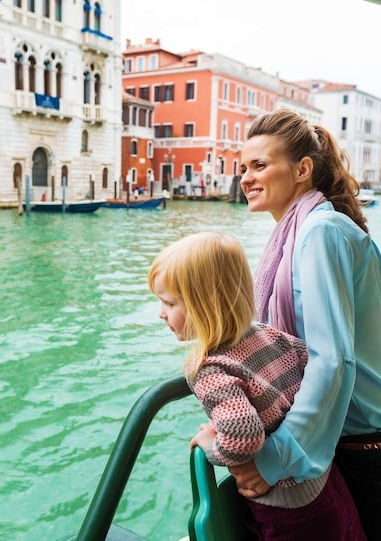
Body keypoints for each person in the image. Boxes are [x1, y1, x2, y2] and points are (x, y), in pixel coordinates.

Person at [228, 108, 381, 540]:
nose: (245, 178)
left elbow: (332, 360)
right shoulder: (306, 231)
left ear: (302, 169)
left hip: (378, 456)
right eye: (242, 167)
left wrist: (275, 459)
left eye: (260, 165)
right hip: (362, 448)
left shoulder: (319, 233)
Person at [148, 231, 366, 540]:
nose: (161, 313)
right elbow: (307, 361)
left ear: (204, 305)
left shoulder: (209, 369)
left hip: (288, 510)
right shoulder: (266, 334)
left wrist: (211, 446)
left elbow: (242, 435)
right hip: (325, 480)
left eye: (169, 303)